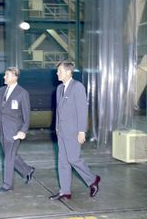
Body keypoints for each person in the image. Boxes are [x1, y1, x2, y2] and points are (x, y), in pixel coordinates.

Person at [0, 67, 35, 193]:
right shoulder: (2, 90)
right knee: (11, 155)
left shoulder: (22, 93)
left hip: (14, 131)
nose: (4, 77)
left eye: (7, 75)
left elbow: (26, 114)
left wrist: (23, 130)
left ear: (15, 76)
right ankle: (27, 170)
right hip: (1, 129)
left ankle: (7, 185)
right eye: (4, 75)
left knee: (8, 157)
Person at [49, 61, 100, 201]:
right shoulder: (59, 89)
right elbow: (59, 111)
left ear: (68, 72)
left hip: (73, 131)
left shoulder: (77, 87)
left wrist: (82, 131)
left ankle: (93, 180)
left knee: (74, 159)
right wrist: (57, 127)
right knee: (63, 161)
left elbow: (82, 110)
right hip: (61, 131)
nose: (57, 73)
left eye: (59, 71)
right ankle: (65, 191)